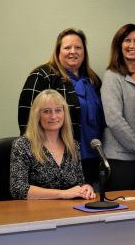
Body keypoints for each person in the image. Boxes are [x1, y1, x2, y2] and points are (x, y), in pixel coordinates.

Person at [9, 89, 96, 245]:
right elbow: (19, 189)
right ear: (37, 115)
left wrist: (84, 188)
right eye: (46, 111)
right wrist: (63, 194)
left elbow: (77, 182)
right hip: (35, 226)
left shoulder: (72, 145)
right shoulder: (23, 145)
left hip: (68, 223)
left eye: (58, 111)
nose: (53, 116)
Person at [18, 28, 105, 185]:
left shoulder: (92, 80)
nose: (73, 51)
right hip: (58, 162)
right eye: (67, 47)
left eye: (78, 47)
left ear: (84, 51)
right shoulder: (43, 76)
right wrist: (37, 159)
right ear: (58, 50)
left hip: (92, 158)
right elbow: (26, 120)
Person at [101, 23, 135, 191]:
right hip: (119, 159)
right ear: (119, 45)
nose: (132, 45)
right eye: (127, 41)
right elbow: (114, 119)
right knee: (120, 213)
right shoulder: (112, 76)